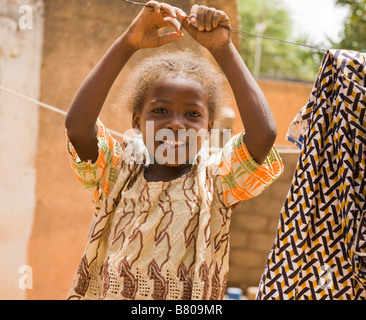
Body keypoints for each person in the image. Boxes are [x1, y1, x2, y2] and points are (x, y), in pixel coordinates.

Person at [65, 1, 283, 300]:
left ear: (209, 128)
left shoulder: (217, 181)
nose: (176, 124)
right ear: (137, 122)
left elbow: (263, 135)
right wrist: (128, 42)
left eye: (193, 115)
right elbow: (78, 127)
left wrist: (223, 50)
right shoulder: (116, 173)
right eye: (161, 110)